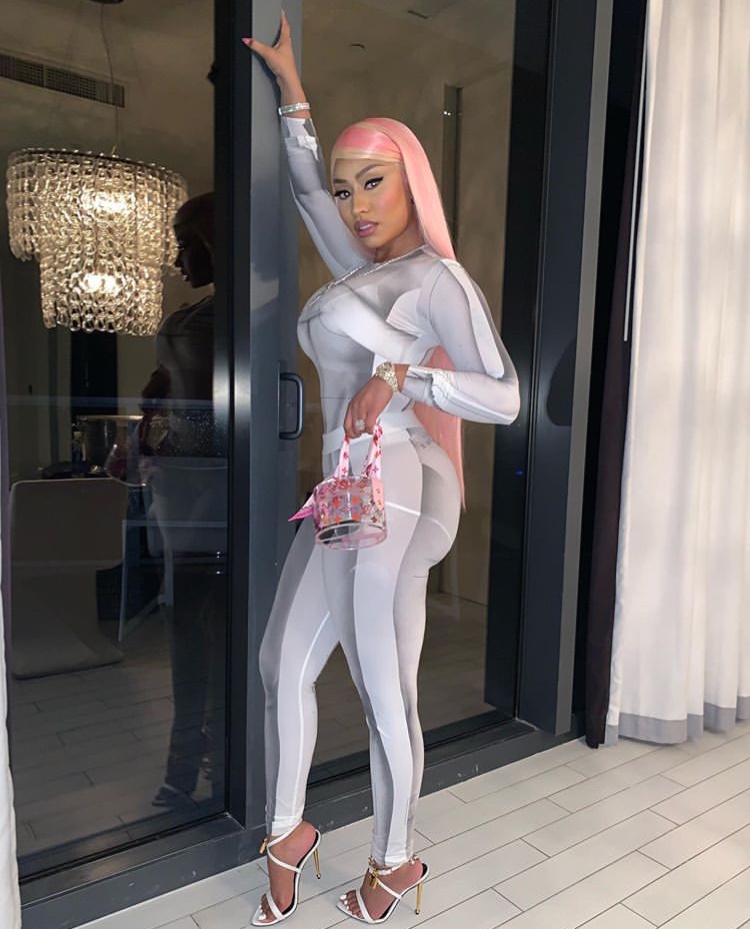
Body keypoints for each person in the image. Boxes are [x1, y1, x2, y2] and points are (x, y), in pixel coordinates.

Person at [244, 15, 520, 926]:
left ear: (412, 181)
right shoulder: (352, 268)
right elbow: (303, 190)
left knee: (379, 684)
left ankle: (394, 861)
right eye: (346, 187)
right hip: (346, 487)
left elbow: (507, 397)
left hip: (399, 472)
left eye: (374, 181)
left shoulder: (437, 280)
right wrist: (293, 95)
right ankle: (287, 830)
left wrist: (406, 375)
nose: (356, 204)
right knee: (280, 661)